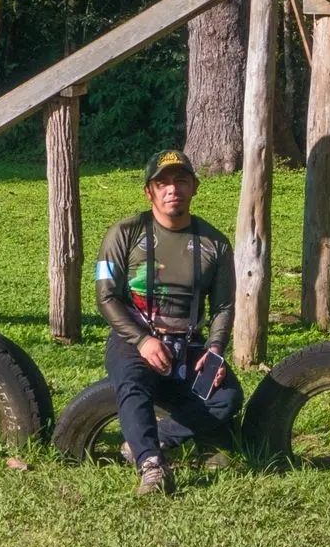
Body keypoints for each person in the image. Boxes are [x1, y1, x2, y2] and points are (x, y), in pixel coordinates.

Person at [94, 149, 243, 496]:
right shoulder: (123, 233)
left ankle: (151, 439)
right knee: (132, 383)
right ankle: (152, 467)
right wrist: (143, 341)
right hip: (133, 339)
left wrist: (215, 350)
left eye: (181, 181)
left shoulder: (215, 243)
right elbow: (106, 297)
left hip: (189, 343)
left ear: (195, 187)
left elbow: (223, 306)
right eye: (162, 183)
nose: (172, 189)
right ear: (149, 192)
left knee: (227, 397)